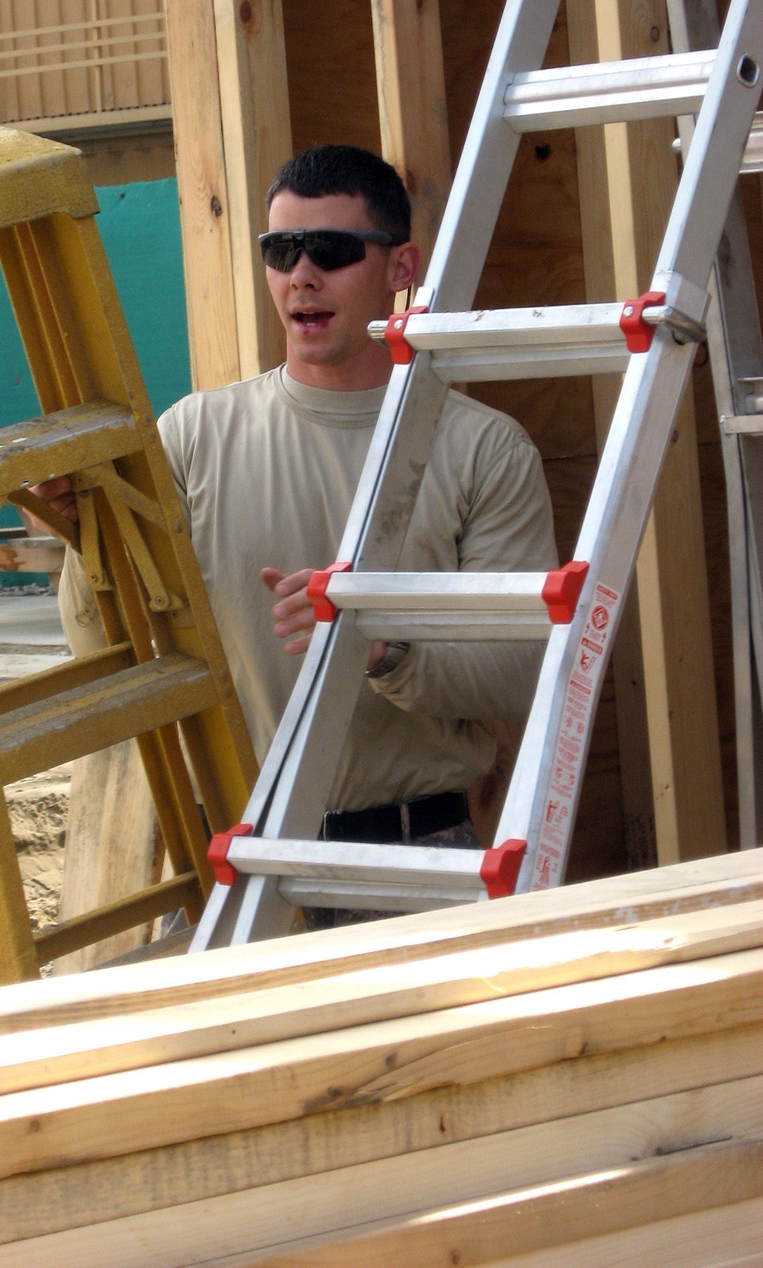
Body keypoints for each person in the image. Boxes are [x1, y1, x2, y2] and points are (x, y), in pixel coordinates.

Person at [48, 143, 557, 872]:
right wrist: (81, 534)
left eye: (332, 249)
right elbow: (104, 647)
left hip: (412, 859)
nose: (302, 275)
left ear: (400, 268)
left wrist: (378, 647)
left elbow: (517, 670)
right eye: (281, 250)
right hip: (234, 858)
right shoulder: (192, 435)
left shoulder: (483, 451)